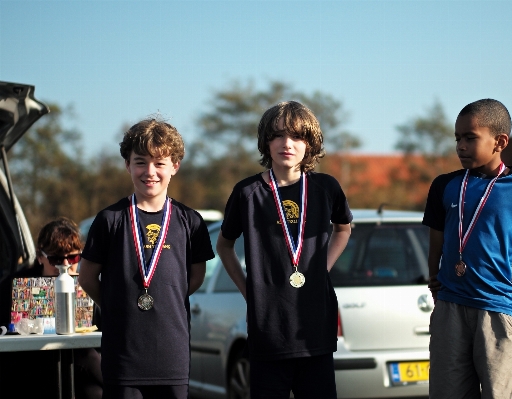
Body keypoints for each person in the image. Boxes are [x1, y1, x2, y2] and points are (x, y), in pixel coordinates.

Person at [216, 101, 352, 399]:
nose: (286, 144)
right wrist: (247, 289)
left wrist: (321, 266)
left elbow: (344, 228)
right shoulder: (247, 193)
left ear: (310, 143)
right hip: (268, 331)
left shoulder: (326, 188)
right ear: (266, 142)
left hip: (315, 327)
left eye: (296, 136)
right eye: (277, 135)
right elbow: (224, 246)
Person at [78, 117, 214, 399]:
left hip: (172, 355)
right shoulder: (109, 220)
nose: (149, 171)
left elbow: (196, 276)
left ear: (174, 166)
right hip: (123, 355)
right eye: (140, 162)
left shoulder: (190, 221)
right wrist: (117, 304)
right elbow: (87, 277)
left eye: (159, 163)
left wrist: (168, 299)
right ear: (127, 164)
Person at [423, 99, 512, 399]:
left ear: (499, 142)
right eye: (457, 138)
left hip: (497, 311)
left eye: (470, 138)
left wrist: (492, 269)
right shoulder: (445, 185)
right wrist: (434, 278)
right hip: (450, 308)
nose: (460, 146)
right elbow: (436, 243)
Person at [0, 217, 103, 399]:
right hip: (32, 367)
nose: (64, 265)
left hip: (80, 368)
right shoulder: (14, 286)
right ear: (40, 257)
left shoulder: (89, 283)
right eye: (55, 259)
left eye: (73, 258)